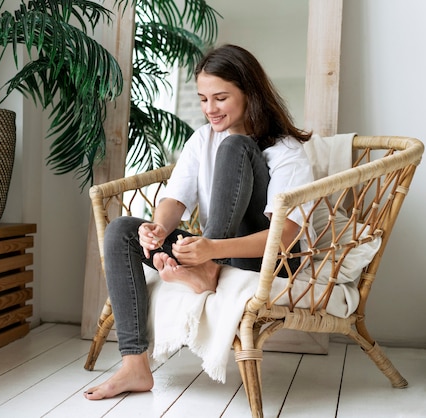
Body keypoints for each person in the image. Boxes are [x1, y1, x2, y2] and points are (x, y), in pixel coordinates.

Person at [84, 44, 314, 400]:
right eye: (203, 99)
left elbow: (284, 237)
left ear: (249, 93)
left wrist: (211, 250)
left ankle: (207, 268)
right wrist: (158, 228)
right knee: (121, 232)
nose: (209, 110)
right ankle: (135, 366)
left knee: (236, 146)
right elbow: (175, 199)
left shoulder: (285, 150)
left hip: (271, 263)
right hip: (211, 247)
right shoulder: (202, 139)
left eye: (220, 98)